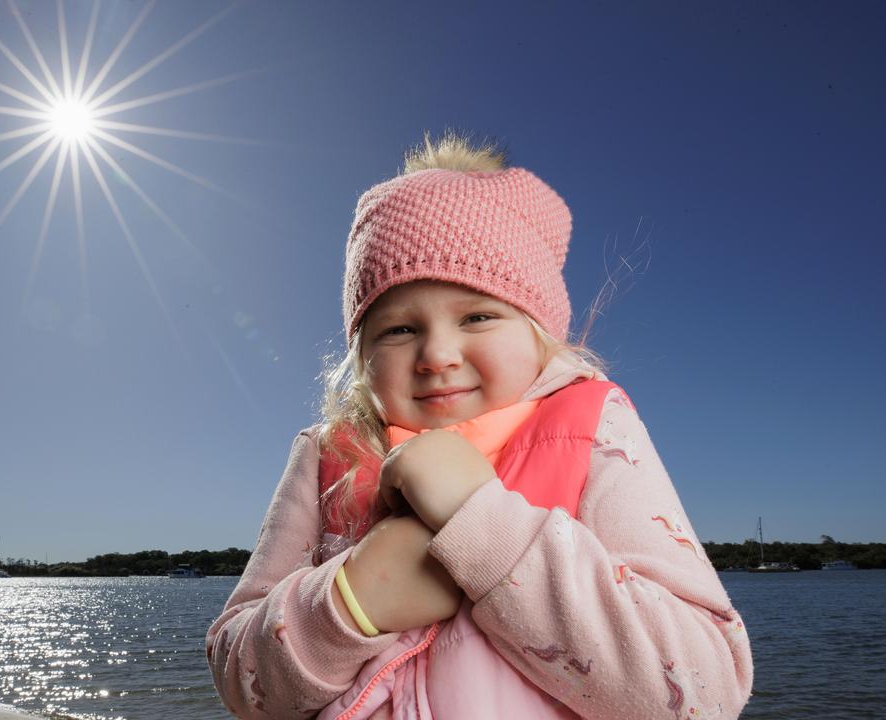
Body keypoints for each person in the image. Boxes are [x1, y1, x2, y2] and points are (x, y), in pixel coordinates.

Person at [206, 133, 753, 719]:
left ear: (539, 332)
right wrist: (351, 602)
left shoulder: (594, 431)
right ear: (361, 352)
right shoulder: (324, 455)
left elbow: (705, 693)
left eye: (478, 316)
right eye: (397, 329)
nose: (437, 354)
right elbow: (241, 682)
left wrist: (486, 529)